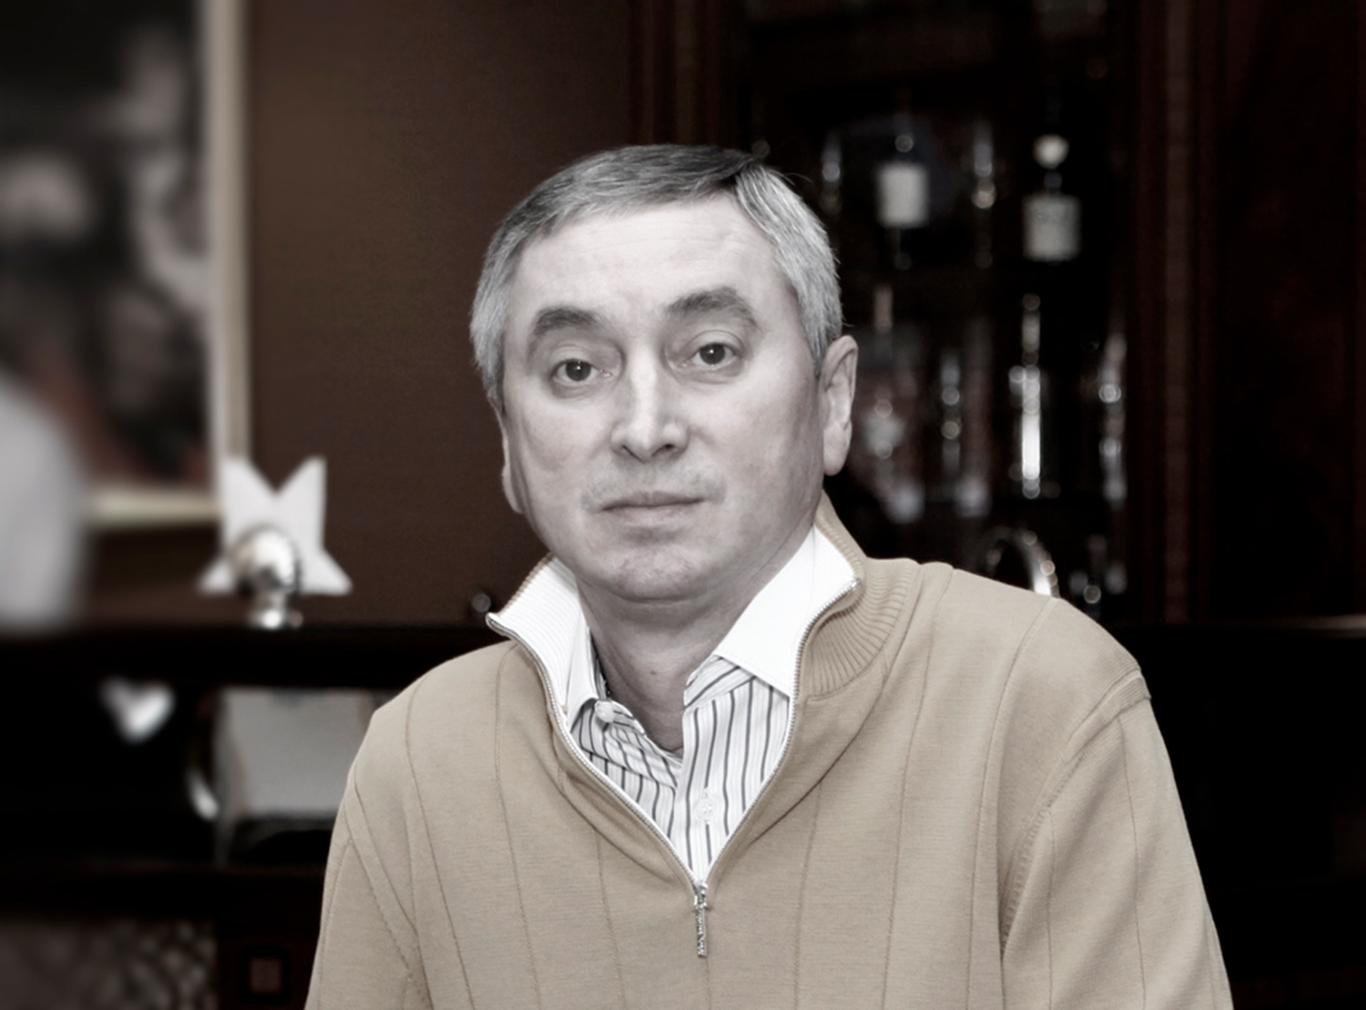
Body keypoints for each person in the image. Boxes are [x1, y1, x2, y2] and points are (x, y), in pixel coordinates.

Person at [304, 146, 1231, 1009]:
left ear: (833, 402)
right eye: (576, 368)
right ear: (508, 442)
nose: (644, 428)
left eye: (711, 352)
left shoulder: (1042, 701)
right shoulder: (419, 759)